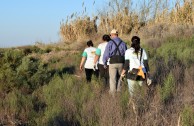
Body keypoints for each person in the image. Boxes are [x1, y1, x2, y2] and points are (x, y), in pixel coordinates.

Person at [103, 29, 127, 93]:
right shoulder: (123, 43)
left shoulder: (110, 43)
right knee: (120, 77)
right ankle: (119, 91)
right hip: (121, 61)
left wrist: (105, 62)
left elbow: (106, 54)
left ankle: (113, 94)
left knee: (112, 79)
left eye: (110, 35)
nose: (110, 36)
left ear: (112, 35)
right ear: (117, 34)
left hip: (113, 61)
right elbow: (126, 54)